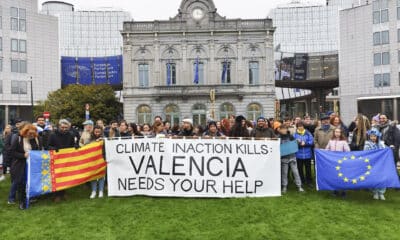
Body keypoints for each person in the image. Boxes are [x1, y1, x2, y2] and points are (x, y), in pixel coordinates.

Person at [10, 124, 43, 209]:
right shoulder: (18, 138)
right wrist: (23, 155)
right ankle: (22, 201)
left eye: (33, 134)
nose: (31, 136)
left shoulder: (37, 138)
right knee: (22, 183)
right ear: (24, 132)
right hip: (20, 164)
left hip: (33, 164)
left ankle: (32, 197)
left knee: (33, 181)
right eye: (29, 134)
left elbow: (39, 150)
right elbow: (12, 152)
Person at [47, 119, 77, 202]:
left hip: (66, 159)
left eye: (66, 127)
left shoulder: (71, 134)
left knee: (65, 176)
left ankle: (63, 193)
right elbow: (48, 146)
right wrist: (55, 149)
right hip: (56, 159)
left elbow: (72, 145)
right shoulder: (52, 135)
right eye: (62, 127)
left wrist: (76, 146)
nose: (64, 129)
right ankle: (56, 194)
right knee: (57, 176)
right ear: (59, 126)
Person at [277, 124, 304, 193]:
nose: (284, 130)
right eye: (282, 129)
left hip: (292, 157)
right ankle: (284, 186)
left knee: (295, 172)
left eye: (285, 129)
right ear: (279, 130)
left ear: (287, 129)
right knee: (284, 173)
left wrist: (299, 141)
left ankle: (299, 186)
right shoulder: (278, 137)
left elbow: (295, 144)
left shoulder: (291, 136)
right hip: (283, 158)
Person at [326, 127, 350, 198]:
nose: (337, 133)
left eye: (339, 132)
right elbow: (327, 150)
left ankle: (343, 191)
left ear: (341, 133)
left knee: (342, 176)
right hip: (333, 162)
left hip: (341, 162)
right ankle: (335, 190)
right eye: (336, 132)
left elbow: (348, 151)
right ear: (334, 133)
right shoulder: (331, 141)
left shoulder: (344, 142)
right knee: (334, 176)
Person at [364, 129, 387, 200]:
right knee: (374, 177)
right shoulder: (367, 144)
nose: (373, 138)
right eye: (371, 136)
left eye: (374, 136)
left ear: (377, 137)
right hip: (372, 164)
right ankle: (375, 192)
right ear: (369, 137)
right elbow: (365, 153)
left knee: (381, 177)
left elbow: (385, 151)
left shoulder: (381, 144)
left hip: (381, 163)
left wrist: (389, 148)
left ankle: (381, 192)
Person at [293, 121, 314, 188]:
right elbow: (293, 143)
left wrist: (305, 143)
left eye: (301, 126)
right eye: (299, 126)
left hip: (307, 154)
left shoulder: (308, 133)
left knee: (308, 169)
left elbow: (311, 141)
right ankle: (301, 181)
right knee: (299, 169)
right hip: (298, 155)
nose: (300, 127)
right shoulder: (294, 134)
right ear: (297, 127)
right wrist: (298, 143)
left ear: (303, 127)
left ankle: (309, 181)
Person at [89, 125, 106, 199]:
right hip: (92, 160)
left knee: (101, 175)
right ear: (93, 131)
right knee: (93, 176)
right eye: (96, 132)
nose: (97, 133)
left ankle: (101, 191)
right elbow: (86, 146)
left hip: (102, 158)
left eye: (99, 132)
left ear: (101, 131)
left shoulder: (104, 138)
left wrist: (103, 141)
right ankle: (94, 191)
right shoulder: (90, 138)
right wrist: (94, 143)